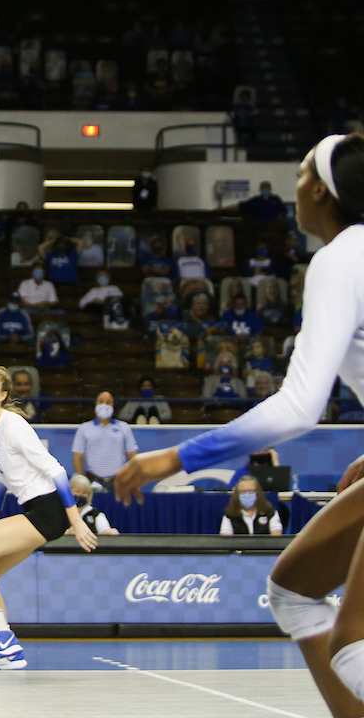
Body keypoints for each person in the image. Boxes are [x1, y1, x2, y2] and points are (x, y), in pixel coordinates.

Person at [113, 133, 364, 718]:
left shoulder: (340, 259)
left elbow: (299, 407)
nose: (295, 186)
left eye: (301, 174)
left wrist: (175, 457)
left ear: (321, 191)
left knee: (353, 644)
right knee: (295, 593)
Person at [0, 366, 97, 670]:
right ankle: (9, 654)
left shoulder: (14, 425)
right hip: (34, 510)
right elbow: (0, 476)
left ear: (3, 395)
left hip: (49, 509)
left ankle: (3, 638)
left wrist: (76, 520)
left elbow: (57, 470)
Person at [71, 391, 138, 489]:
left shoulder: (124, 427)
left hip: (119, 482)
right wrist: (80, 481)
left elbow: (132, 455)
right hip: (92, 482)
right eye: (101, 401)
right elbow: (77, 457)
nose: (104, 405)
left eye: (108, 402)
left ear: (113, 405)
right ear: (95, 404)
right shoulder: (84, 428)